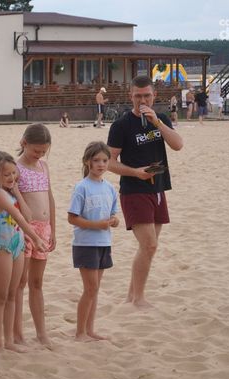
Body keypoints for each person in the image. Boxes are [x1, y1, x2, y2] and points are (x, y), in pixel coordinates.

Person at [107, 75, 183, 309]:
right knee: (149, 245)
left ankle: (131, 296)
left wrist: (157, 123)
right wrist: (134, 172)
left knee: (148, 247)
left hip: (158, 187)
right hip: (134, 190)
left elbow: (178, 145)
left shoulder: (161, 119)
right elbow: (109, 162)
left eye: (147, 95)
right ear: (130, 96)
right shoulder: (121, 125)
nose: (142, 100)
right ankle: (138, 298)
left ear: (154, 95)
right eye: (138, 96)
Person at [0, 151, 47, 352]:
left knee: (13, 294)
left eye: (14, 173)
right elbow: (18, 218)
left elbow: (28, 216)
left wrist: (17, 191)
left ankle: (9, 341)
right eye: (6, 174)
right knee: (1, 295)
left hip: (18, 245)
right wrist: (36, 238)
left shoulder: (12, 193)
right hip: (3, 247)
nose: (12, 177)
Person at [67, 142, 119, 342]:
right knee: (90, 288)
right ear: (87, 161)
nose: (101, 164)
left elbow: (113, 214)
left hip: (104, 243)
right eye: (96, 160)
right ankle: (80, 332)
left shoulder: (110, 188)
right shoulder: (82, 187)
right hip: (85, 244)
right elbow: (72, 218)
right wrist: (95, 225)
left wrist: (114, 221)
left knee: (95, 290)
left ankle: (90, 330)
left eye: (105, 160)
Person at [13, 124, 56, 348]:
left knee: (37, 282)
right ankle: (17, 333)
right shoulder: (15, 168)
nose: (39, 155)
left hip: (44, 229)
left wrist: (53, 229)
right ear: (24, 143)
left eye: (43, 151)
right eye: (36, 150)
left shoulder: (44, 166)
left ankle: (41, 333)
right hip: (25, 229)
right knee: (20, 282)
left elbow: (50, 198)